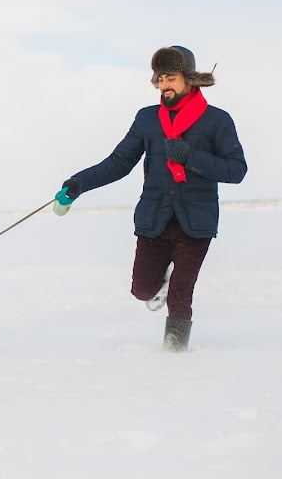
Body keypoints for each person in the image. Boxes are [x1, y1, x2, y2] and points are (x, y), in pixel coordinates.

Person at [54, 46, 247, 352]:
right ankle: (163, 284)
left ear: (189, 79)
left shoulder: (217, 121)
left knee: (181, 293)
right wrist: (80, 183)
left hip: (196, 221)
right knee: (142, 290)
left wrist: (191, 157)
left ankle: (174, 354)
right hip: (154, 217)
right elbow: (118, 162)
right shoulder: (148, 120)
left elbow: (237, 170)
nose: (163, 85)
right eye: (159, 78)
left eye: (170, 77)